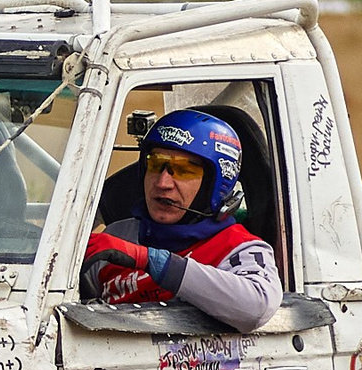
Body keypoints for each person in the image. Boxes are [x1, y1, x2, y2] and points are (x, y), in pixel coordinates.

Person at [83, 109, 281, 331]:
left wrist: (149, 260)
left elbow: (257, 308)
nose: (162, 183)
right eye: (155, 165)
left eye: (183, 170)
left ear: (214, 184)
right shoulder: (116, 236)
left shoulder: (239, 248)